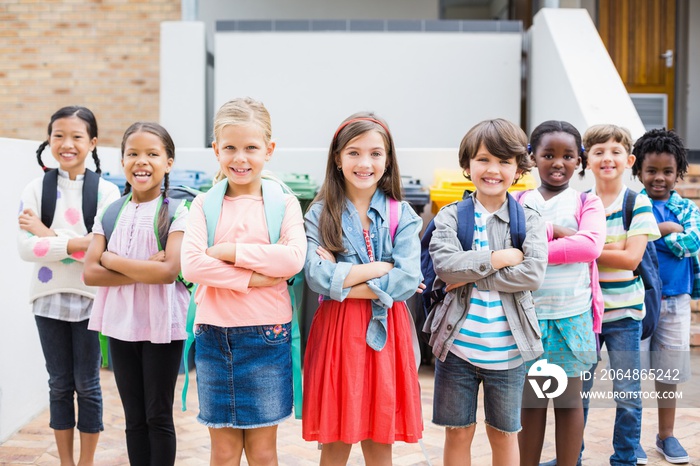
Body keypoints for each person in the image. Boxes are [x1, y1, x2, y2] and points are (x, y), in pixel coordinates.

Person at [180, 98, 306, 466]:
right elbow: (192, 265)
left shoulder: (284, 203)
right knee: (223, 452)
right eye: (230, 148)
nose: (240, 158)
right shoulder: (204, 204)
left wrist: (228, 250)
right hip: (214, 338)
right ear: (216, 149)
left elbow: (293, 258)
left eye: (251, 148)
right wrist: (256, 277)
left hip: (267, 338)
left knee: (264, 452)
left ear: (269, 149)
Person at [302, 112, 423, 465]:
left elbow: (407, 279)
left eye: (375, 153)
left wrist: (343, 276)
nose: (364, 163)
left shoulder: (404, 215)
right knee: (336, 437)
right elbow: (315, 276)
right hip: (337, 333)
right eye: (354, 153)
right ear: (337, 159)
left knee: (379, 436)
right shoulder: (319, 214)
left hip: (386, 331)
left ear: (388, 159)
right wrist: (377, 268)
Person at [426, 118, 547, 466]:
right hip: (457, 349)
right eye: (483, 159)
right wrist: (499, 258)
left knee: (504, 435)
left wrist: (473, 274)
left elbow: (532, 274)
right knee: (458, 433)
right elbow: (445, 266)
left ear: (518, 169)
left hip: (510, 353)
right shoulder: (450, 216)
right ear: (467, 166)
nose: (493, 170)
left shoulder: (529, 220)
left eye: (504, 161)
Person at [18, 105, 120, 466]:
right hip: (47, 300)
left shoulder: (106, 192)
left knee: (88, 385)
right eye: (59, 135)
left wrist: (47, 234)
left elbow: (102, 251)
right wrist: (77, 243)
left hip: (92, 300)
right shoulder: (36, 188)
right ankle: (66, 462)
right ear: (49, 139)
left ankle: (86, 463)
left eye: (77, 136)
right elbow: (26, 249)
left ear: (92, 142)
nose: (67, 143)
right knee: (59, 384)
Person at [84, 122, 188, 466]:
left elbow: (168, 272)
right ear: (122, 160)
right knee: (133, 419)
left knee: (158, 415)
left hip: (162, 325)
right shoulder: (111, 212)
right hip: (120, 324)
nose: (141, 161)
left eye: (152, 154)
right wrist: (141, 266)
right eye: (133, 153)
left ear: (168, 162)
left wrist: (112, 260)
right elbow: (90, 272)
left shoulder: (178, 212)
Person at [517, 121, 605, 466]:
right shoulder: (519, 201)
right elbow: (509, 244)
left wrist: (535, 246)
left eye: (568, 155)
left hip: (573, 317)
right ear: (532, 157)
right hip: (528, 318)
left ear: (579, 160)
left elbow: (591, 246)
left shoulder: (587, 201)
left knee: (569, 404)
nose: (558, 162)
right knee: (532, 403)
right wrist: (557, 231)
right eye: (548, 154)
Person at [581, 124, 661, 466]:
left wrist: (586, 246)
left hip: (625, 314)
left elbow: (632, 258)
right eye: (598, 152)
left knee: (627, 394)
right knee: (577, 394)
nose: (606, 158)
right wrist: (608, 247)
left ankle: (625, 458)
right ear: (586, 160)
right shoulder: (581, 203)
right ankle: (573, 457)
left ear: (629, 160)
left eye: (614, 151)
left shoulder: (637, 203)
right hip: (583, 313)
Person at [632, 128, 697, 464]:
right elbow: (627, 240)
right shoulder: (632, 205)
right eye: (651, 171)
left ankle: (666, 435)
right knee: (634, 370)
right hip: (637, 298)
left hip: (675, 299)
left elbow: (692, 242)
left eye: (667, 172)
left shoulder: (686, 209)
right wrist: (667, 231)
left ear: (678, 173)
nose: (659, 178)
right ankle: (630, 438)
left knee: (668, 370)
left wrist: (651, 235)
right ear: (638, 171)